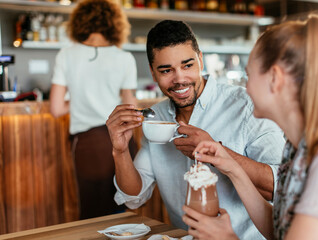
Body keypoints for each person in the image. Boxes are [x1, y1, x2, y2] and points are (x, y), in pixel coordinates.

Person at [182, 15, 318, 239]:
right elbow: (281, 230)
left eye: (249, 75)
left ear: (274, 78)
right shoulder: (297, 148)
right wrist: (232, 168)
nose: (245, 88)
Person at [106, 20, 285, 239]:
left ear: (200, 60)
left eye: (187, 65)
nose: (179, 79)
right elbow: (135, 196)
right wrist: (120, 151)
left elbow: (280, 187)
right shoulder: (156, 118)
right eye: (166, 70)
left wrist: (217, 153)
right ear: (153, 74)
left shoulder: (247, 106)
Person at [50, 0, 137, 219]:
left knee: (92, 214)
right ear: (115, 24)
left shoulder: (66, 55)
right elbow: (131, 108)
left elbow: (56, 108)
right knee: (122, 210)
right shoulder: (125, 58)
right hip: (122, 139)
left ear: (79, 22)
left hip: (88, 144)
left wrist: (78, 99)